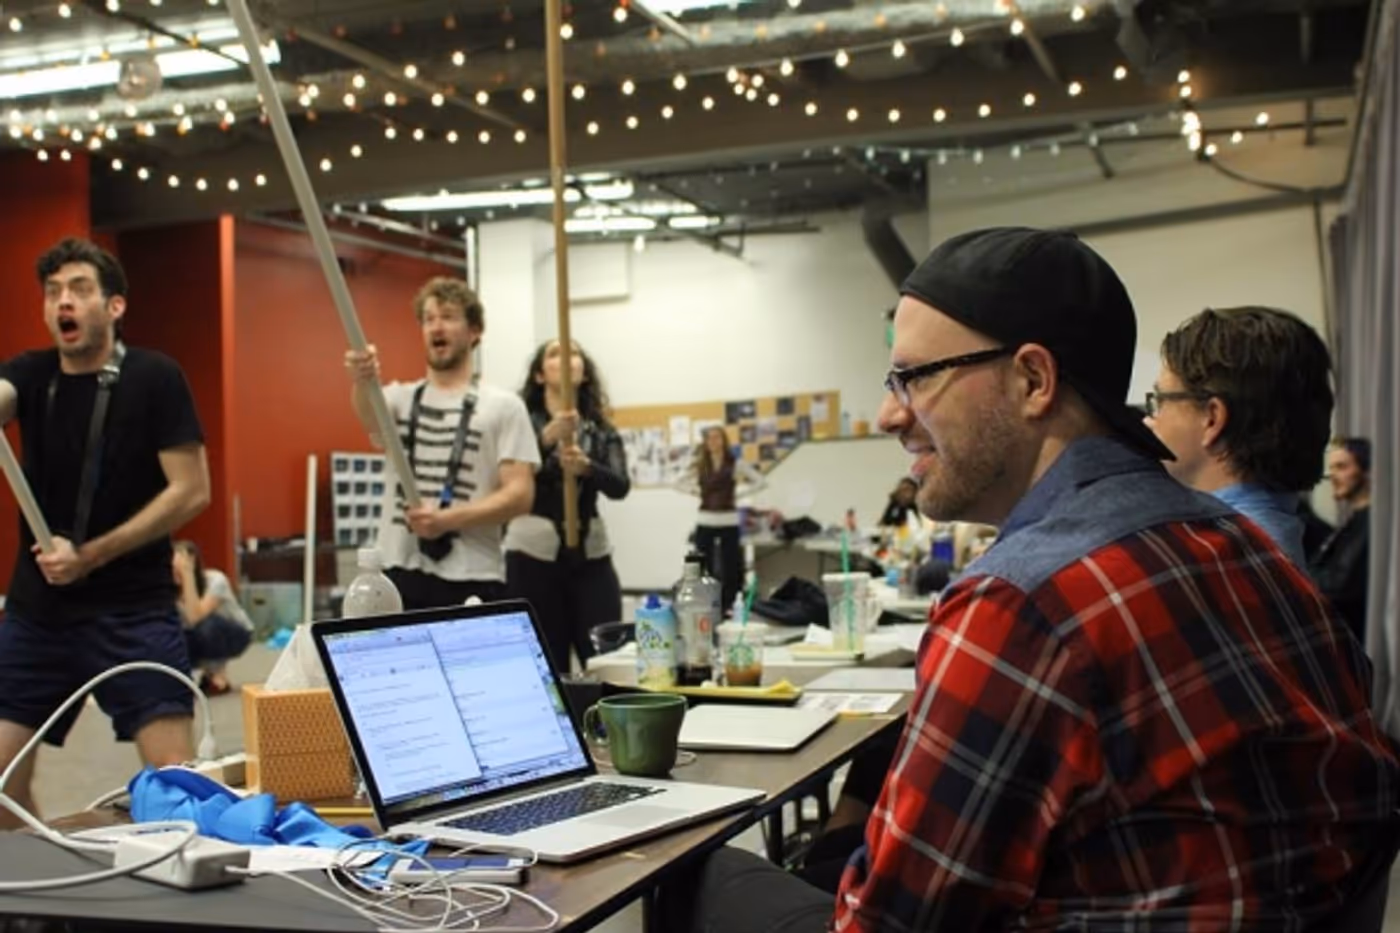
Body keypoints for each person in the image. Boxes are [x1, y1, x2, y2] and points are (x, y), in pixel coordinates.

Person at [659, 228, 1398, 932]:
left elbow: (889, 920)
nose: (889, 414)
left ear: (1033, 379)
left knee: (693, 866)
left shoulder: (1020, 601)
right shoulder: (1249, 547)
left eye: (912, 377)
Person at [0, 238, 210, 828]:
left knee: (179, 795)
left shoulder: (153, 376)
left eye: (80, 290)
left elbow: (191, 491)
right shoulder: (32, 374)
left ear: (114, 306)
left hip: (133, 609)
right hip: (39, 612)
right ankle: (45, 902)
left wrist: (91, 555)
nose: (64, 302)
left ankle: (123, 849)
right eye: (53, 292)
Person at [345, 276, 538, 610]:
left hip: (473, 574)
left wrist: (449, 519)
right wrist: (363, 380)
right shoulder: (397, 399)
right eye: (429, 318)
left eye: (448, 316)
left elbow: (520, 495)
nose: (437, 326)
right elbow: (369, 413)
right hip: (397, 571)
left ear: (474, 331)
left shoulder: (504, 406)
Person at [1143, 306, 1333, 569]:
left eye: (1160, 400)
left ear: (1212, 419)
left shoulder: (1213, 563)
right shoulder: (1274, 535)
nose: (1150, 419)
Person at [505, 339, 629, 674]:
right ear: (539, 375)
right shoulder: (520, 424)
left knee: (605, 658)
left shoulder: (601, 430)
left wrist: (588, 467)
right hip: (532, 558)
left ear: (584, 374)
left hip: (590, 557)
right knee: (543, 665)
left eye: (573, 353)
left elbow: (620, 485)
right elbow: (505, 479)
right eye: (554, 354)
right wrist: (545, 440)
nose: (565, 359)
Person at [676, 426, 765, 609]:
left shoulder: (735, 463)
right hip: (705, 519)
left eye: (717, 438)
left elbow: (761, 481)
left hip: (728, 520)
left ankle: (730, 604)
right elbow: (677, 482)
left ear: (724, 440)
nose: (714, 442)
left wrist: (738, 495)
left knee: (731, 566)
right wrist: (695, 491)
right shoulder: (700, 464)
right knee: (702, 565)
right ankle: (705, 603)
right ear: (706, 442)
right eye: (710, 438)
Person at [173, 540, 253, 697]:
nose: (175, 572)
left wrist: (187, 575)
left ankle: (216, 674)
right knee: (171, 633)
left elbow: (195, 616)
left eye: (178, 567)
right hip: (197, 636)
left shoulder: (216, 580)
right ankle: (191, 677)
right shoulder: (169, 591)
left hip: (237, 634)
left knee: (206, 625)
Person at [1311, 437, 1372, 643]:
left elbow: (1340, 585)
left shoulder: (1369, 523)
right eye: (1332, 468)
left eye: (1342, 467)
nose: (1333, 476)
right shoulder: (1353, 521)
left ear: (1366, 471)